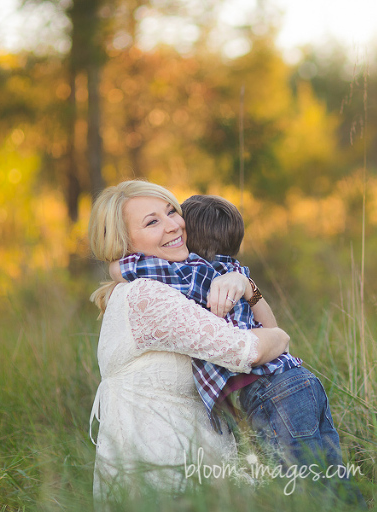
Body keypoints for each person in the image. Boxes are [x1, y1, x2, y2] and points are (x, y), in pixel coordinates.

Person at [112, 194, 365, 504]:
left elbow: (128, 266)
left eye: (175, 219)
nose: (173, 229)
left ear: (189, 236)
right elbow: (273, 331)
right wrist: (247, 284)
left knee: (305, 490)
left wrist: (113, 266)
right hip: (297, 379)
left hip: (273, 390)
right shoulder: (234, 269)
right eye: (155, 221)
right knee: (331, 477)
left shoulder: (192, 274)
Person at [87, 180, 290, 502]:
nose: (173, 226)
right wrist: (280, 336)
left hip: (204, 458)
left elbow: (265, 341)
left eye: (172, 212)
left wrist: (244, 284)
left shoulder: (181, 283)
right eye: (152, 222)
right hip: (160, 465)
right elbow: (249, 349)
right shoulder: (145, 295)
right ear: (124, 243)